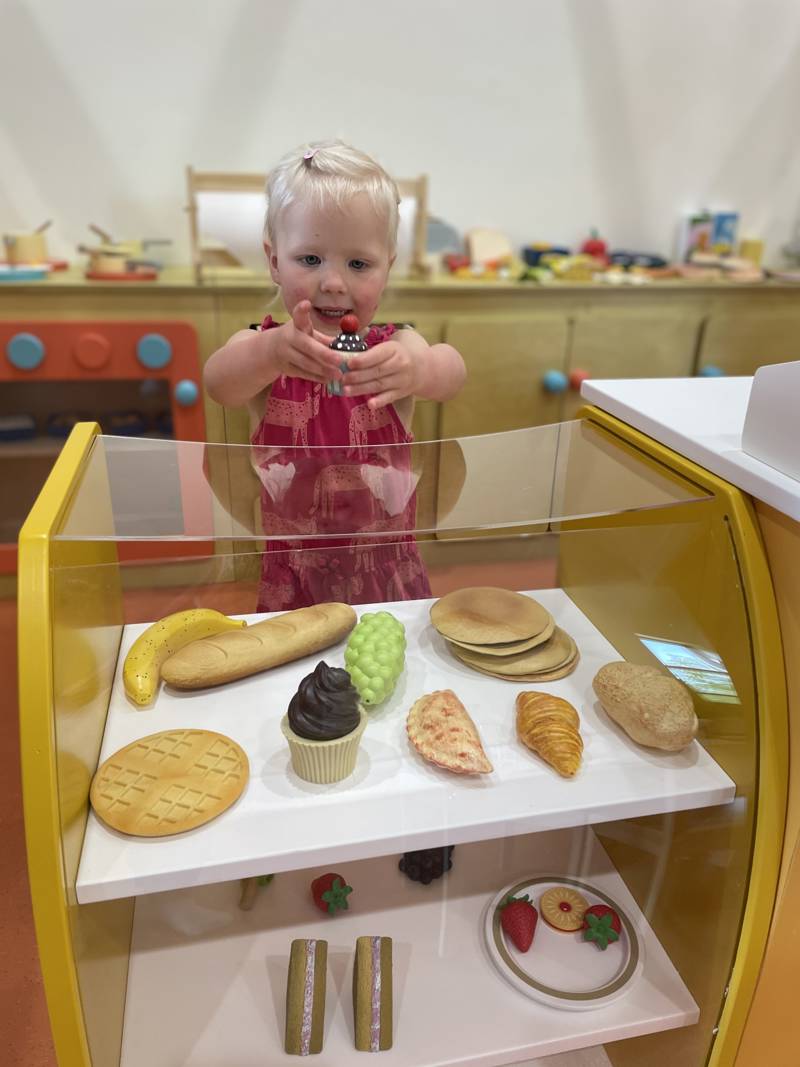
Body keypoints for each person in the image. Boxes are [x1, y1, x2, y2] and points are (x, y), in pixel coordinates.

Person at [204, 139, 466, 610]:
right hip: (295, 579)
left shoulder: (396, 346)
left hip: (387, 575)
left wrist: (420, 369)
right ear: (274, 262)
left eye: (359, 264)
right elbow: (219, 383)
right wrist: (269, 354)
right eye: (310, 259)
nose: (333, 282)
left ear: (386, 269)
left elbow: (452, 373)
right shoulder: (264, 348)